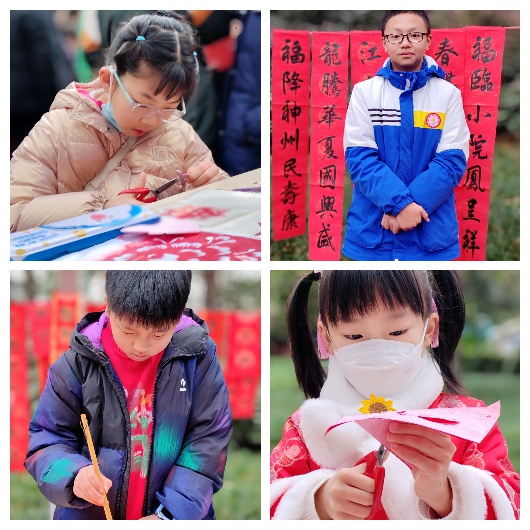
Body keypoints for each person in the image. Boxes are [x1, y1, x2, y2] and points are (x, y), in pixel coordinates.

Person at [270, 270, 519, 520]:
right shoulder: (306, 428)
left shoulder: (467, 424)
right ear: (326, 337)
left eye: (397, 332)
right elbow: (270, 501)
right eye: (354, 336)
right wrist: (318, 501)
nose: (376, 348)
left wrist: (446, 494)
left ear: (430, 329)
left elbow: (514, 505)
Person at [25, 270, 232, 520]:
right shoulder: (76, 364)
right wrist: (74, 475)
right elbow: (48, 437)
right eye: (128, 331)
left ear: (178, 315)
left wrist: (171, 515)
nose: (141, 346)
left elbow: (208, 439)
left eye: (158, 334)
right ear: (108, 306)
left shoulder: (197, 358)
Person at [11, 11, 228, 233]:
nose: (152, 120)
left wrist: (211, 183)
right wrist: (102, 207)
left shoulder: (180, 132)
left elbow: (223, 201)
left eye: (168, 108)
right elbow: (13, 214)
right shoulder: (57, 129)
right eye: (142, 104)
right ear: (108, 80)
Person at [342, 11, 470, 260]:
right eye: (396, 36)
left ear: (428, 41)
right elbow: (359, 160)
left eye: (414, 35)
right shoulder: (364, 93)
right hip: (374, 231)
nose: (405, 42)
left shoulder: (448, 94)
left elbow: (452, 160)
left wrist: (408, 209)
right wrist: (400, 205)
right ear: (384, 42)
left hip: (430, 234)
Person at [10, 10, 76, 156]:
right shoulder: (34, 12)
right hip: (33, 104)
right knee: (36, 158)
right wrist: (58, 100)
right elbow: (46, 60)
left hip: (15, 103)